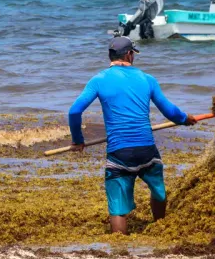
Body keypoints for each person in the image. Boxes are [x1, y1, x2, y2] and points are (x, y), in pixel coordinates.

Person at [67, 36, 196, 234]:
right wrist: (185, 119)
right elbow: (171, 112)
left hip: (120, 152)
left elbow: (74, 112)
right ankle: (161, 227)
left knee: (118, 206)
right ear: (129, 54)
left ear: (110, 56)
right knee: (158, 190)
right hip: (147, 150)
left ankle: (119, 243)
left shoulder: (99, 80)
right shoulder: (147, 79)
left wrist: (78, 140)